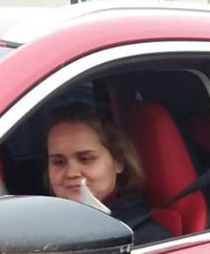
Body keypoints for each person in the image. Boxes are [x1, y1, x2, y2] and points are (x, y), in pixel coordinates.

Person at [45, 101, 172, 244]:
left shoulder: (147, 239)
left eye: (86, 159)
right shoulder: (41, 226)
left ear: (118, 161)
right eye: (59, 162)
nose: (71, 173)